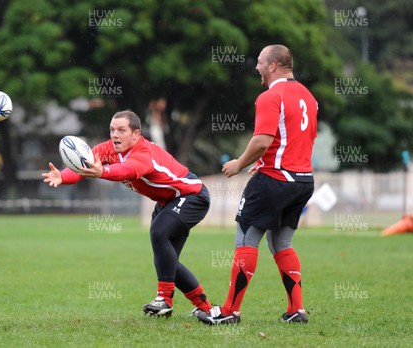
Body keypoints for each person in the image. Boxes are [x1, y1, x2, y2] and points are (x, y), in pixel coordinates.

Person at [42, 110, 213, 318]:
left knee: (159, 234)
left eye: (121, 130)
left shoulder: (143, 152)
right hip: (168, 201)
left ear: (136, 134)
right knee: (167, 261)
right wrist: (62, 176)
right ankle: (204, 307)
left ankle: (164, 300)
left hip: (192, 195)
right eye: (112, 130)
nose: (115, 134)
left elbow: (126, 171)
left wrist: (102, 172)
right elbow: (84, 166)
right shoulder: (107, 149)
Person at [197, 44, 317, 325]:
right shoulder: (308, 97)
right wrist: (265, 160)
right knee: (281, 241)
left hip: (275, 181)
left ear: (273, 65)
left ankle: (228, 311)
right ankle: (296, 310)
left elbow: (263, 140)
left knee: (245, 240)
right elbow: (298, 139)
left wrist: (239, 163)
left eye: (260, 62)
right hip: (302, 180)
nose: (257, 68)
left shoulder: (270, 95)